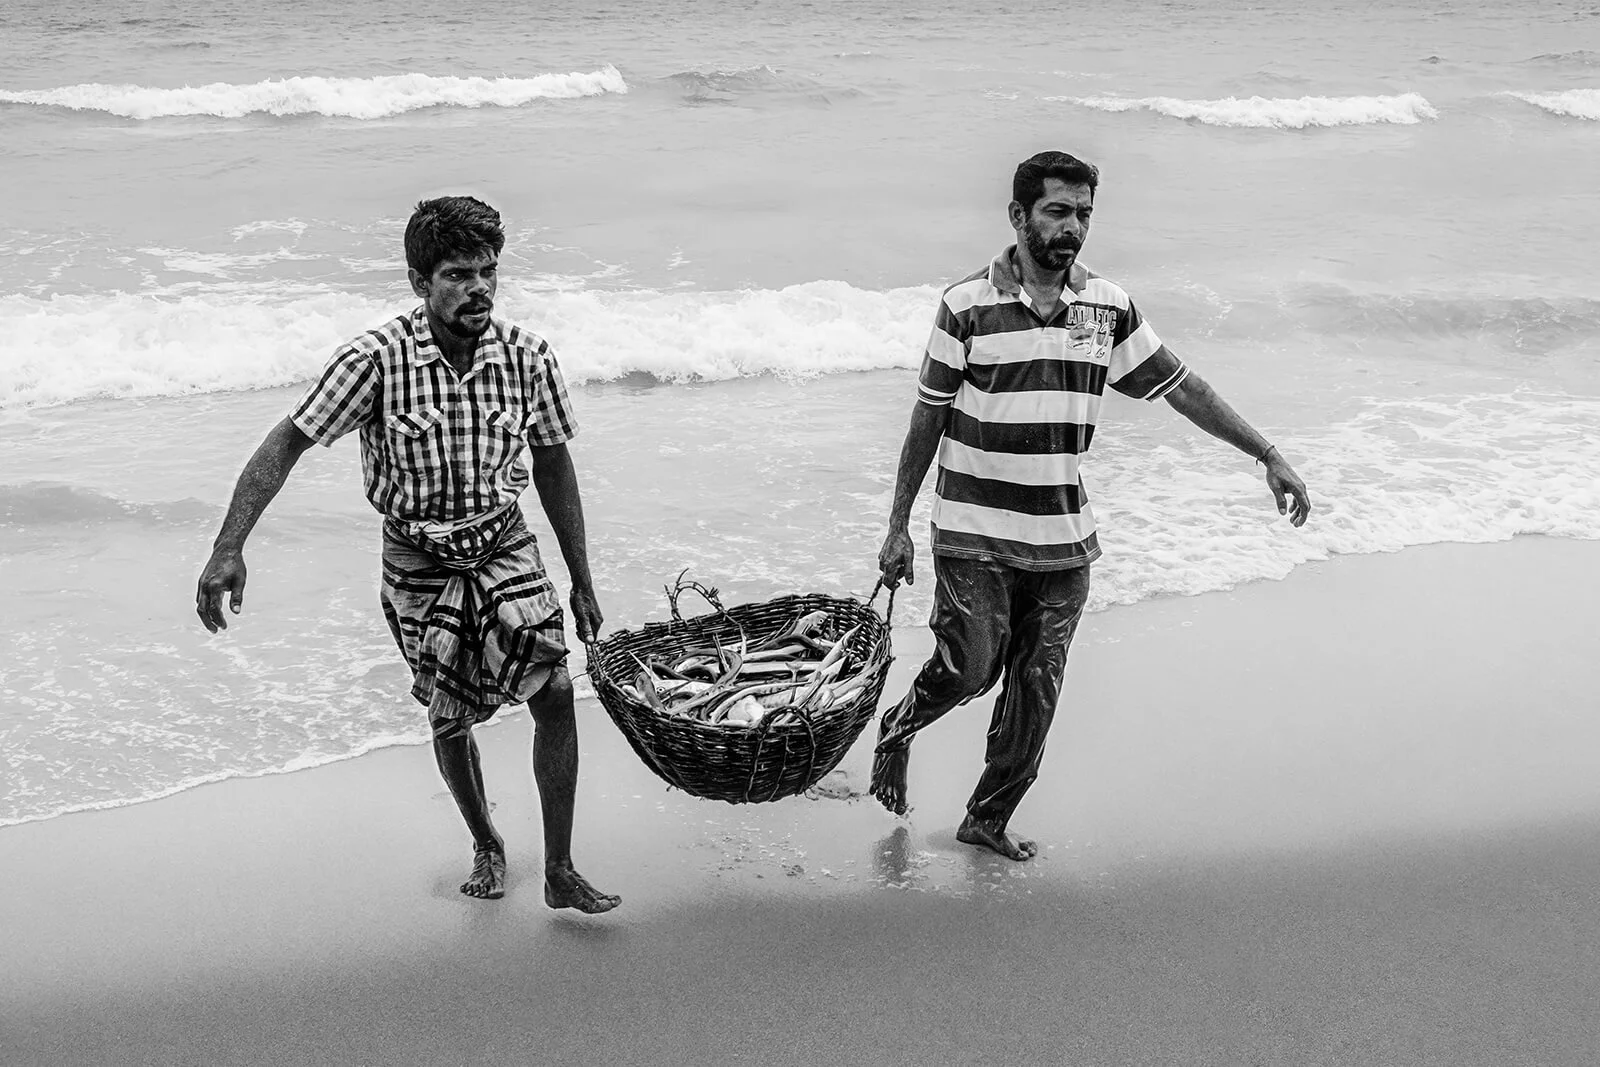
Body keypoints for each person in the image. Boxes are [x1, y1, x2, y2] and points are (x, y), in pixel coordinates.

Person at [871, 151, 1313, 861]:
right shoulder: (965, 307)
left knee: (1037, 688)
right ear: (1017, 217)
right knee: (971, 667)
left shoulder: (1106, 308)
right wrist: (897, 527)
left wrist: (1267, 453)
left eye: (1083, 214)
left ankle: (987, 817)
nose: (1072, 227)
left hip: (1063, 537)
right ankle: (900, 725)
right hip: (972, 529)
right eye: (1057, 211)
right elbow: (926, 418)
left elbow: (1182, 386)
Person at [195, 196, 620, 912]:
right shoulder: (375, 359)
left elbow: (554, 465)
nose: (479, 287)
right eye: (459, 273)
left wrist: (581, 579)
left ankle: (559, 868)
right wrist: (227, 546)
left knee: (553, 691)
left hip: (503, 537)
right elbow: (287, 441)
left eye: (489, 272)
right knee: (449, 713)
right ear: (420, 281)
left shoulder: (527, 356)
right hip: (417, 556)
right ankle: (486, 841)